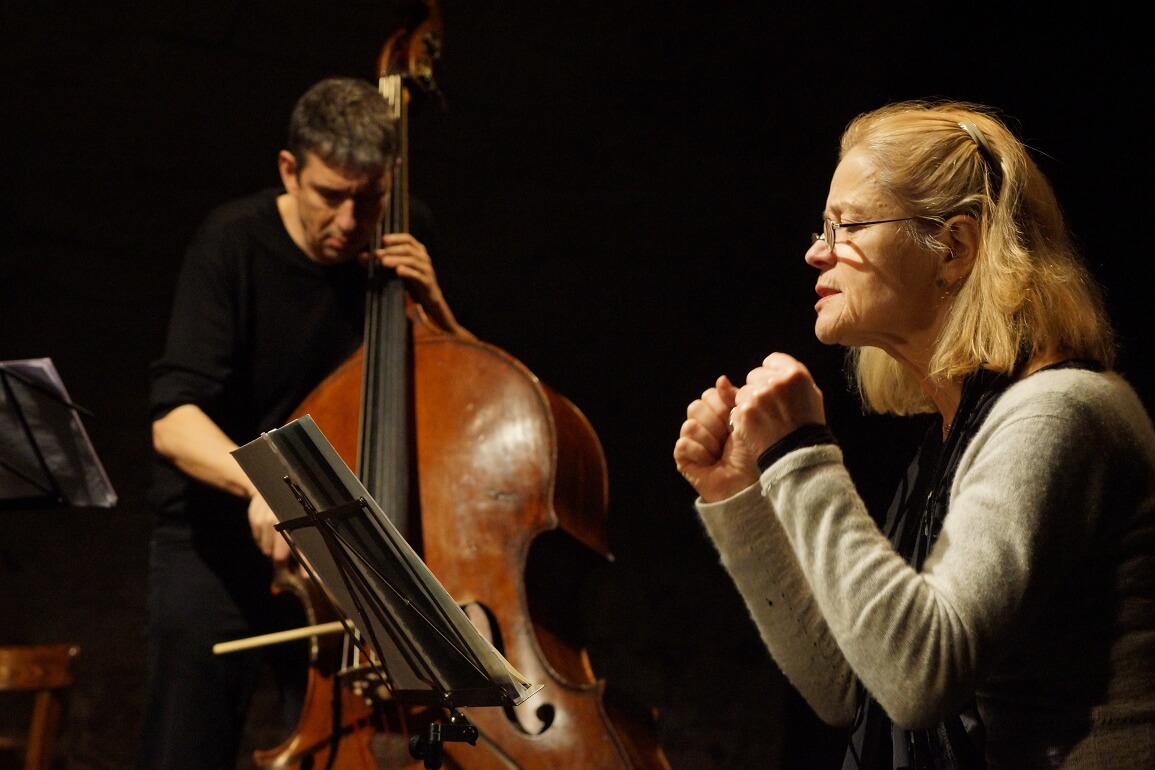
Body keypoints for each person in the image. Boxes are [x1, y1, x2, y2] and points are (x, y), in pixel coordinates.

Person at [674, 99, 1155, 768]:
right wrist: (737, 492)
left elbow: (917, 679)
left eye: (846, 226)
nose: (817, 252)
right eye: (822, 227)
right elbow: (854, 689)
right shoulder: (953, 437)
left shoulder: (1059, 410)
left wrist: (801, 455)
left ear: (953, 247)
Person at [140, 76, 471, 769]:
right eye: (331, 196)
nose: (351, 222)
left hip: (344, 556)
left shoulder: (407, 236)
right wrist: (267, 485)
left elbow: (462, 401)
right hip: (220, 547)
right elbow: (173, 420)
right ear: (289, 170)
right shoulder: (232, 242)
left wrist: (439, 316)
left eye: (369, 197)